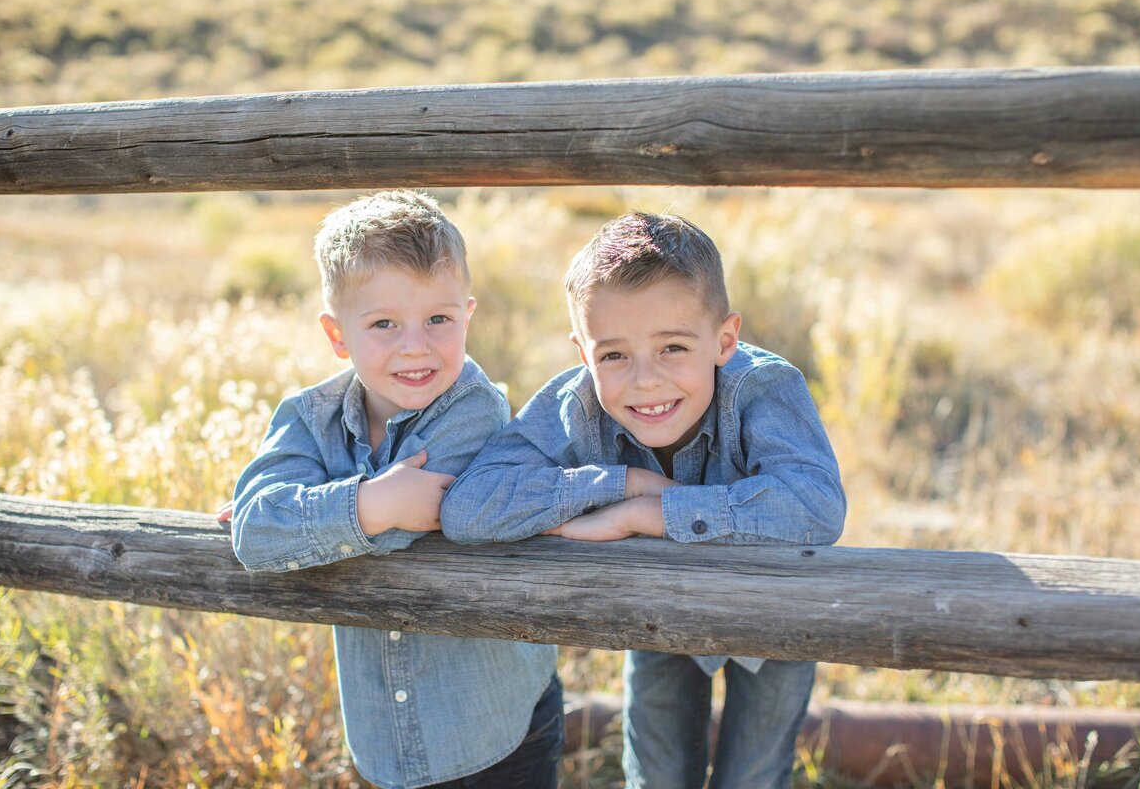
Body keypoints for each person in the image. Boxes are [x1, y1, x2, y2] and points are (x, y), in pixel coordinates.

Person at [441, 211, 846, 789]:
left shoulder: (764, 388)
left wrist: (651, 513)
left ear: (725, 339)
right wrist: (619, 484)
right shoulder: (577, 404)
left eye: (673, 348)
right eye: (613, 355)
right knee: (657, 774)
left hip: (775, 603)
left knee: (754, 774)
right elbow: (468, 507)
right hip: (654, 609)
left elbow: (815, 506)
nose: (645, 381)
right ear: (583, 353)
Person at [230, 190, 561, 789]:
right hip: (384, 733)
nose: (416, 345)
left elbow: (412, 526)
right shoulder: (310, 416)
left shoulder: (474, 412)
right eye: (384, 323)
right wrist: (370, 504)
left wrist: (313, 517)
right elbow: (254, 534)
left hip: (495, 722)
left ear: (468, 313)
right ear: (337, 334)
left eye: (439, 319)